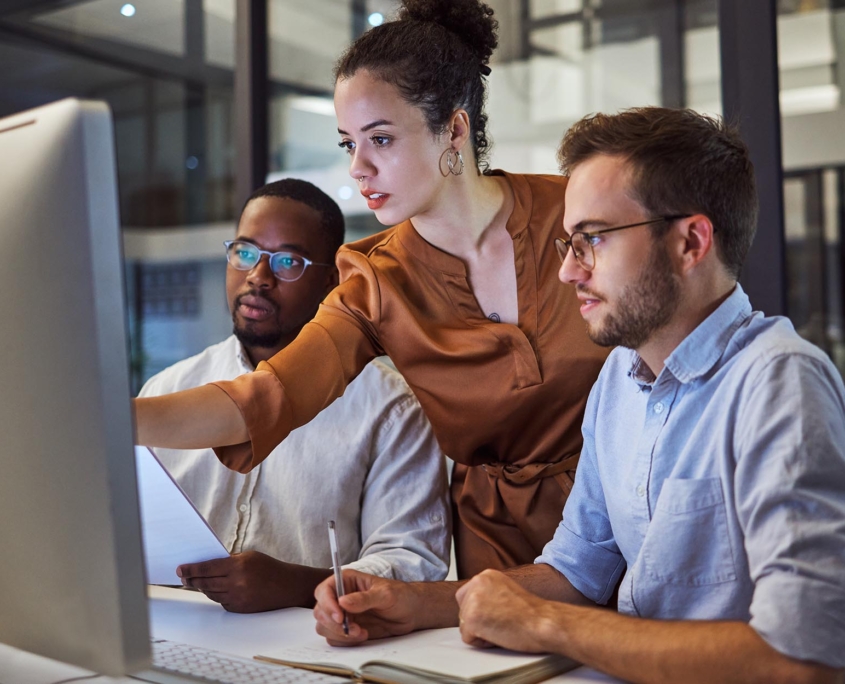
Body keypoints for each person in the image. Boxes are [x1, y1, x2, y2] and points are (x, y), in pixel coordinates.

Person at [314, 108, 845, 683]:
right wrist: (416, 604)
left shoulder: (779, 383)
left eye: (592, 239)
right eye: (568, 242)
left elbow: (806, 660)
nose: (568, 270)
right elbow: (577, 570)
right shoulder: (620, 378)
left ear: (691, 241)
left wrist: (545, 625)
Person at [134, 0, 608, 579]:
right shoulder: (373, 280)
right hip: (500, 553)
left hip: (629, 512)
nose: (358, 168)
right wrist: (115, 418)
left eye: (380, 139)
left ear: (454, 128)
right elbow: (267, 399)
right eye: (347, 144)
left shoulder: (576, 212)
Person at [140, 178, 450, 613]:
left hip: (311, 645)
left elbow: (414, 562)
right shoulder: (169, 389)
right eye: (245, 253)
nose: (258, 277)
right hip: (170, 628)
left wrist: (298, 585)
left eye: (288, 261)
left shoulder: (391, 408)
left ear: (331, 281)